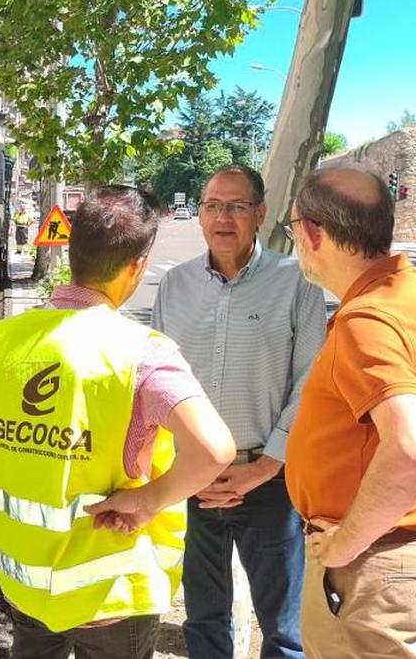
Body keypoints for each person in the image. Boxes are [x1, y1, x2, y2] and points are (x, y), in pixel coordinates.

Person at [0, 186, 237, 659]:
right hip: (109, 593)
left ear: (73, 252)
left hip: (25, 581)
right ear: (137, 265)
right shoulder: (142, 354)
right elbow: (214, 449)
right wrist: (149, 500)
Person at [283, 168, 416, 658]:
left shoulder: (368, 319)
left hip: (376, 567)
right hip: (415, 556)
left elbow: (413, 448)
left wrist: (345, 545)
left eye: (292, 231)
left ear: (311, 233)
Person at [152, 165, 325, 659]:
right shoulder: (175, 286)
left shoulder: (297, 282)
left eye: (236, 206)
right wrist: (185, 469)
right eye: (212, 206)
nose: (222, 217)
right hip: (192, 483)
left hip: (269, 483)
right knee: (203, 620)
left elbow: (312, 381)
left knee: (285, 631)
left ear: (260, 214)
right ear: (200, 214)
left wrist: (266, 465)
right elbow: (157, 384)